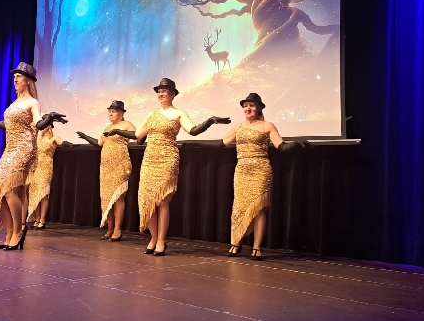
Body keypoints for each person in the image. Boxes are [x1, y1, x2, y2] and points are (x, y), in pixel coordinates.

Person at [105, 78, 230, 255]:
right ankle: (154, 237)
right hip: (149, 159)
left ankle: (161, 241)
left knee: (162, 201)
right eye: (159, 91)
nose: (161, 94)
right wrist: (117, 131)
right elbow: (138, 135)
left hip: (168, 158)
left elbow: (193, 131)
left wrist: (210, 121)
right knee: (146, 200)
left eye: (164, 91)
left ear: (172, 94)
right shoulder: (151, 114)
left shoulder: (179, 113)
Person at [0, 62, 67, 251]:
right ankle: (10, 231)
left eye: (19, 76)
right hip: (10, 149)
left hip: (24, 149)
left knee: (10, 191)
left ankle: (18, 232)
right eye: (14, 76)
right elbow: (10, 125)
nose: (15, 79)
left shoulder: (32, 102)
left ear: (28, 81)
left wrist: (49, 118)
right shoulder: (15, 102)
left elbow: (38, 124)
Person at [220, 93, 302, 260]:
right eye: (245, 106)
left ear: (259, 108)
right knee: (239, 208)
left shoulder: (267, 126)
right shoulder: (238, 127)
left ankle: (257, 247)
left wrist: (297, 145)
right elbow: (222, 143)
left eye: (251, 105)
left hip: (260, 170)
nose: (248, 108)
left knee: (258, 209)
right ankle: (236, 243)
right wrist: (196, 144)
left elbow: (280, 145)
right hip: (241, 170)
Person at [76, 100, 136, 241]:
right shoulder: (107, 127)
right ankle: (109, 229)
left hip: (120, 165)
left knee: (118, 197)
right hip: (106, 168)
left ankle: (117, 229)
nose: (110, 113)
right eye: (109, 111)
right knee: (107, 197)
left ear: (121, 113)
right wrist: (85, 137)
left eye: (114, 111)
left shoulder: (126, 124)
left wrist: (118, 131)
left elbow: (136, 135)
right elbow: (100, 143)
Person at [27, 123, 68, 229]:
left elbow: (61, 142)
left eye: (44, 125)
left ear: (49, 126)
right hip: (35, 167)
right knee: (35, 193)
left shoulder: (53, 138)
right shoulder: (38, 139)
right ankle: (37, 218)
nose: (42, 127)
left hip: (46, 167)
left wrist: (68, 144)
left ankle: (42, 219)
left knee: (43, 193)